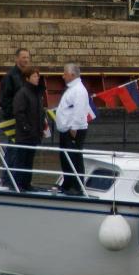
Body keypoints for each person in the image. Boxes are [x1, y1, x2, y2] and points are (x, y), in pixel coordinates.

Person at [56, 63, 90, 194]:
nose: (63, 76)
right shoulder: (71, 89)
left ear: (72, 75)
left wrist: (74, 127)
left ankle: (77, 186)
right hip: (66, 130)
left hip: (74, 130)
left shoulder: (79, 90)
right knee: (66, 158)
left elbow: (79, 110)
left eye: (65, 73)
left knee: (74, 157)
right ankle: (67, 183)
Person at [11, 66, 46, 191]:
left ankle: (27, 184)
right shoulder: (22, 93)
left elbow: (40, 113)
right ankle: (18, 185)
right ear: (27, 78)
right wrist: (27, 128)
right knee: (21, 160)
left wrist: (41, 129)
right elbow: (19, 112)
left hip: (34, 134)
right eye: (34, 76)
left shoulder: (37, 93)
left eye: (38, 76)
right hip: (25, 135)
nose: (37, 78)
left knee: (29, 160)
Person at [0, 48, 31, 120]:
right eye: (23, 57)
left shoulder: (29, 76)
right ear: (17, 59)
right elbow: (3, 100)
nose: (26, 60)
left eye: (28, 57)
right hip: (14, 118)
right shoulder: (10, 76)